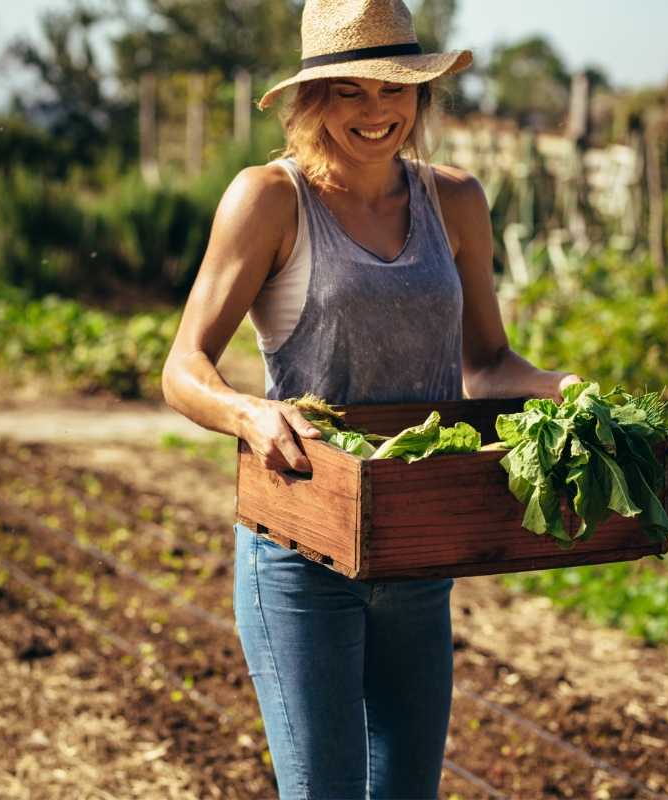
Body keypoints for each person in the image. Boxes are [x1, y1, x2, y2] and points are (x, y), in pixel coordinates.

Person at [162, 1, 581, 796]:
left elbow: (487, 365)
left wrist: (565, 389)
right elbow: (183, 366)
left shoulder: (454, 202)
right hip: (301, 552)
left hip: (417, 548)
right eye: (349, 91)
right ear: (309, 99)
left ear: (422, 95)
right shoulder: (270, 200)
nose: (376, 111)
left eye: (394, 88)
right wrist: (250, 413)